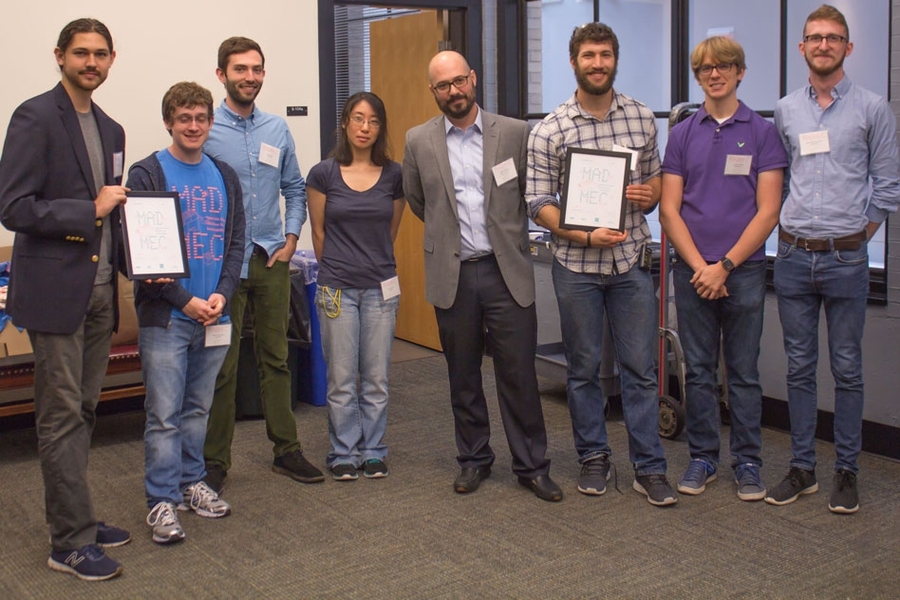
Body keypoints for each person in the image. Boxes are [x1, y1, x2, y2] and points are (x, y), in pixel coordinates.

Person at [0, 18, 131, 580]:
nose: (91, 63)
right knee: (58, 418)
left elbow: (114, 208)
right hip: (57, 295)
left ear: (111, 59)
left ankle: (78, 514)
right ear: (60, 56)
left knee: (83, 410)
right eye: (81, 53)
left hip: (102, 292)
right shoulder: (34, 117)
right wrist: (90, 210)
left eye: (101, 54)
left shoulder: (112, 128)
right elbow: (14, 208)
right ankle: (68, 542)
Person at [527, 22, 676, 507]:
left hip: (631, 262)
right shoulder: (551, 128)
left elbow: (656, 186)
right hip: (574, 265)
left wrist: (648, 193)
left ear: (615, 59)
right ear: (574, 62)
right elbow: (537, 203)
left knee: (639, 370)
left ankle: (649, 467)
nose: (598, 63)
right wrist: (582, 232)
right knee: (584, 370)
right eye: (589, 55)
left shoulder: (640, 117)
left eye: (605, 54)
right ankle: (594, 457)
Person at [403, 50, 561, 502]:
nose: (453, 91)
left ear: (473, 79)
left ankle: (531, 465)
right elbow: (419, 202)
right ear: (432, 92)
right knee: (463, 374)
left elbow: (533, 193)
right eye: (442, 86)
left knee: (518, 374)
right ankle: (474, 459)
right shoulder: (418, 140)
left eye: (458, 81)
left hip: (505, 270)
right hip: (453, 273)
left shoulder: (514, 133)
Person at [767, 4, 900, 514]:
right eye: (814, 38)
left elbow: (886, 186)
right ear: (802, 48)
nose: (824, 45)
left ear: (848, 47)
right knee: (800, 368)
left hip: (846, 260)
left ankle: (847, 470)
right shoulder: (785, 110)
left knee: (846, 368)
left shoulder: (873, 108)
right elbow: (776, 178)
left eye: (833, 37)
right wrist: (784, 223)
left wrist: (855, 235)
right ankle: (803, 468)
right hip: (796, 258)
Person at [659, 37, 786, 501]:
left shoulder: (761, 133)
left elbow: (768, 210)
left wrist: (726, 265)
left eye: (724, 66)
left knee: (744, 371)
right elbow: (670, 211)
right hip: (693, 273)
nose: (715, 74)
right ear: (698, 76)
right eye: (706, 68)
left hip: (744, 271)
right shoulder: (682, 134)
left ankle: (748, 462)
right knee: (697, 370)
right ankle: (703, 456)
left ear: (740, 72)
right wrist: (701, 268)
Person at [126, 82, 245, 544]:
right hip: (169, 319)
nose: (193, 126)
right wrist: (185, 301)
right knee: (164, 415)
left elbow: (235, 244)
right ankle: (160, 500)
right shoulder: (147, 174)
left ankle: (191, 483)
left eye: (201, 118)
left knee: (199, 408)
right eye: (184, 119)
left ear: (210, 123)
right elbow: (142, 256)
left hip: (215, 314)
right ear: (168, 122)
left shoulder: (225, 175)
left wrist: (222, 295)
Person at [203, 36, 324, 492]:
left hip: (271, 260)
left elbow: (294, 188)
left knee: (277, 359)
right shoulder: (204, 128)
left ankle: (286, 451)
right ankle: (215, 461)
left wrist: (292, 239)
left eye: (256, 69)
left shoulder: (276, 129)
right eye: (240, 69)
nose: (249, 77)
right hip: (224, 266)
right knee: (223, 364)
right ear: (222, 75)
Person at [306, 92, 406, 481]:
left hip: (381, 287)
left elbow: (391, 231)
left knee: (377, 376)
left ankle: (374, 449)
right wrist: (338, 269)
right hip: (336, 289)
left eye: (374, 121)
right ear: (345, 122)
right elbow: (318, 233)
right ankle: (344, 451)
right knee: (342, 377)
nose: (365, 128)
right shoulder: (323, 173)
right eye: (358, 119)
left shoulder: (394, 174)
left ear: (380, 128)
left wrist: (368, 263)